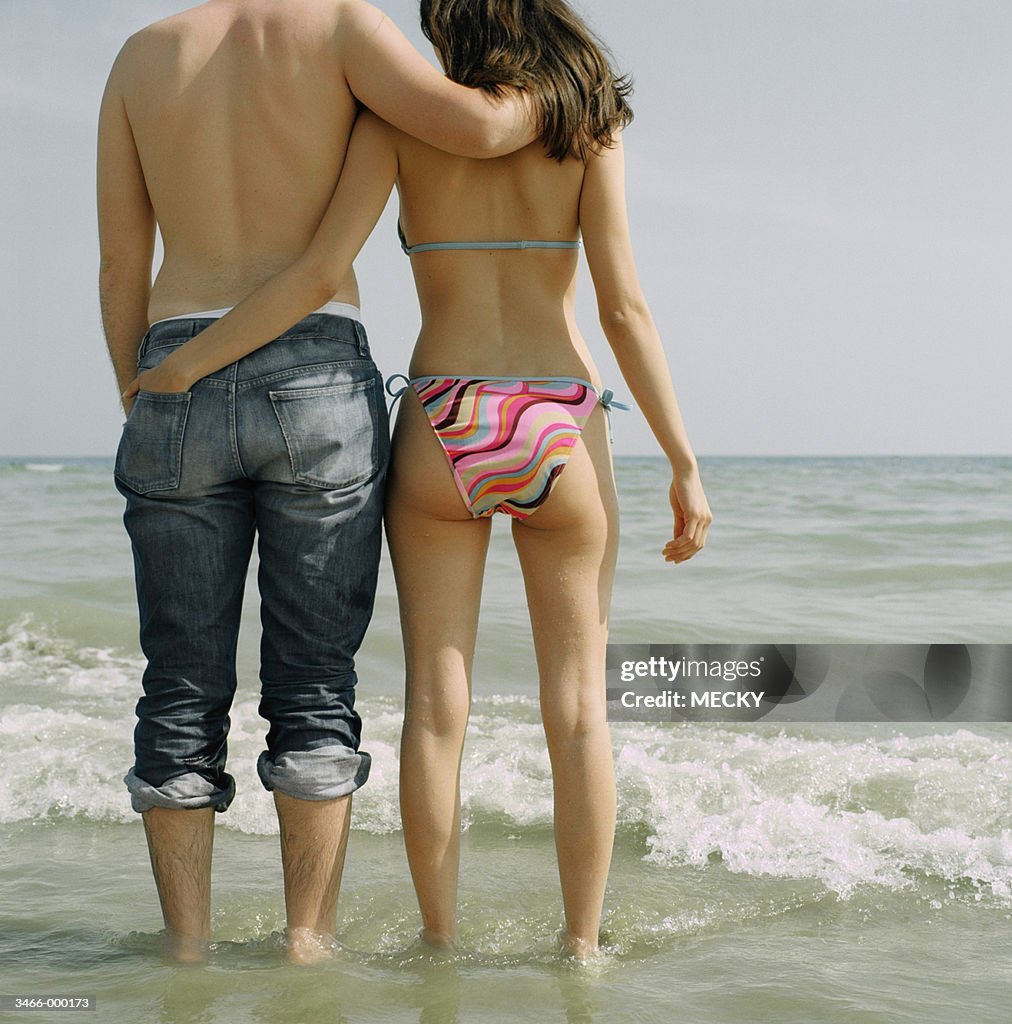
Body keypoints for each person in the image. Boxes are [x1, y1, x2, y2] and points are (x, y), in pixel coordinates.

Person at [124, 0, 712, 958]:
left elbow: (320, 269)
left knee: (438, 706)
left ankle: (439, 940)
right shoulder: (587, 119)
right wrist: (684, 462)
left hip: (442, 418)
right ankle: (581, 947)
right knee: (577, 710)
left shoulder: (394, 121)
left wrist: (189, 363)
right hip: (557, 416)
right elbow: (624, 306)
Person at [97, 0, 534, 964]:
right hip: (316, 375)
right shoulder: (343, 27)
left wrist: (141, 393)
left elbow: (123, 256)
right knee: (315, 684)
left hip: (172, 363)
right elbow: (484, 125)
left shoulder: (141, 54)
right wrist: (572, 80)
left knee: (177, 685)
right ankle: (307, 941)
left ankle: (187, 949)